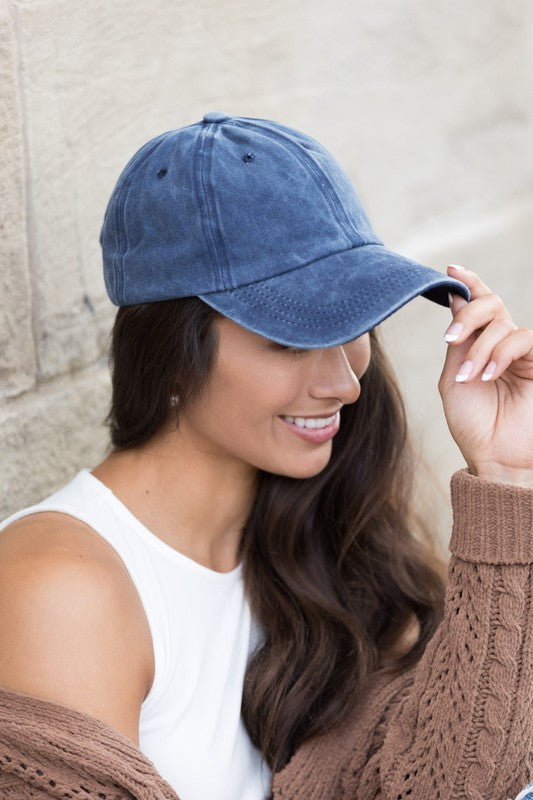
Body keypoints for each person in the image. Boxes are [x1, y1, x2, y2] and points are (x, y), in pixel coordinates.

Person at [0, 112, 531, 800]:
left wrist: (509, 477)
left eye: (353, 326)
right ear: (170, 350)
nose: (343, 381)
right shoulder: (61, 591)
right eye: (289, 339)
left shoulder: (325, 538)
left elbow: (450, 784)